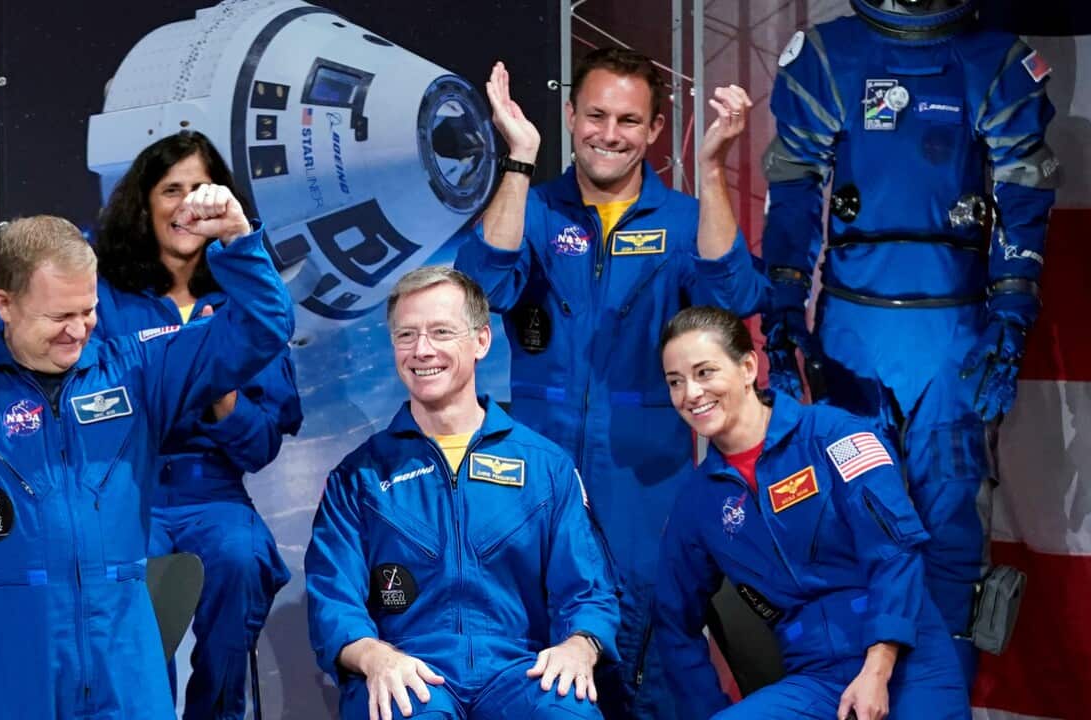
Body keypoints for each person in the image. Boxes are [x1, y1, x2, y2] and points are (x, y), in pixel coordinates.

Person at [0, 200, 290, 719]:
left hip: (122, 656)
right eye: (59, 316)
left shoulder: (137, 371)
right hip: (7, 657)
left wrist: (238, 239)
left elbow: (262, 331)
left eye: (88, 310)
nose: (78, 330)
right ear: (5, 304)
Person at [453, 47, 767, 717]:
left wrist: (712, 169)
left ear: (655, 130)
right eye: (595, 114)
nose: (609, 133)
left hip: (646, 482)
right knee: (541, 661)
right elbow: (476, 292)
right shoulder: (534, 210)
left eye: (629, 120)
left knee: (647, 664)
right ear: (570, 116)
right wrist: (517, 158)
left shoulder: (683, 220)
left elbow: (733, 295)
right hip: (539, 474)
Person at [759, 0, 1059, 679]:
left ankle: (938, 691)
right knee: (852, 510)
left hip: (950, 332)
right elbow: (794, 186)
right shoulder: (829, 58)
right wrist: (782, 313)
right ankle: (848, 683)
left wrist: (1011, 319)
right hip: (854, 332)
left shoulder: (996, 61)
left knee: (951, 518)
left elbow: (1024, 190)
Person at [305, 266, 620, 720]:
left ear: (481, 342)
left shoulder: (546, 467)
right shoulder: (358, 478)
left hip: (521, 670)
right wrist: (374, 657)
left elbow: (589, 589)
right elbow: (333, 598)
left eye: (441, 331)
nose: (422, 350)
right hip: (410, 671)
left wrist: (579, 645)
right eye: (406, 335)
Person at [654, 305, 970, 720]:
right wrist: (708, 710)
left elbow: (895, 553)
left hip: (908, 665)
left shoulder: (835, 436)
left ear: (748, 367)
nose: (691, 394)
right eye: (675, 382)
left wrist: (877, 671)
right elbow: (673, 617)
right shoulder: (697, 503)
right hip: (816, 679)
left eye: (705, 372)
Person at [92, 130, 302, 719]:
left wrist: (220, 395)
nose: (187, 204)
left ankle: (219, 712)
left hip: (213, 493)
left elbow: (259, 446)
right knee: (132, 573)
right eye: (170, 189)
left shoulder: (248, 300)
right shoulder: (105, 295)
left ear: (224, 202)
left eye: (201, 189)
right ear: (143, 202)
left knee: (239, 556)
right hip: (127, 489)